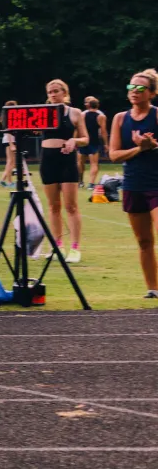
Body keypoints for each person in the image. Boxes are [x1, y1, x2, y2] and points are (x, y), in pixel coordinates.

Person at [108, 69, 158, 299]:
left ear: (152, 93)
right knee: (144, 240)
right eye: (131, 87)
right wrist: (140, 148)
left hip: (156, 183)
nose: (134, 92)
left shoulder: (156, 116)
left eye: (140, 88)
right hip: (133, 184)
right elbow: (114, 155)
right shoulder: (120, 118)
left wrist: (154, 145)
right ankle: (153, 289)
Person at [39, 79, 87, 262]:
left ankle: (75, 248)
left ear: (64, 93)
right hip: (47, 159)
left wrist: (75, 141)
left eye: (56, 91)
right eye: (50, 92)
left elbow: (86, 138)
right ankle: (57, 246)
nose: (53, 94)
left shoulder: (74, 113)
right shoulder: (42, 113)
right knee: (53, 206)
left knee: (71, 206)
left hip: (66, 160)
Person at [81, 96, 107, 189]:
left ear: (88, 105)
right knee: (94, 163)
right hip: (94, 141)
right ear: (98, 105)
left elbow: (78, 128)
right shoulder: (101, 116)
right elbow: (103, 131)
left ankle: (80, 182)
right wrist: (106, 144)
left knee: (80, 163)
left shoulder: (82, 114)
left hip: (83, 141)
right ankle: (91, 184)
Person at [0, 100, 19, 187]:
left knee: (11, 162)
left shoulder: (7, 117)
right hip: (10, 141)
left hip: (9, 141)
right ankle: (9, 182)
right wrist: (11, 144)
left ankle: (2, 180)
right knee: (11, 162)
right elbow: (9, 132)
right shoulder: (9, 118)